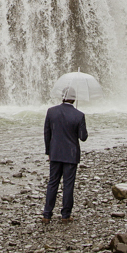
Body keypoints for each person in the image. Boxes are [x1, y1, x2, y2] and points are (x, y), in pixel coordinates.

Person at [42, 87, 88, 223]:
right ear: (74, 99)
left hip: (55, 153)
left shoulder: (51, 112)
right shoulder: (79, 115)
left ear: (62, 97)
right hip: (71, 155)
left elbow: (47, 134)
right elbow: (83, 137)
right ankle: (65, 215)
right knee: (68, 185)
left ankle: (46, 214)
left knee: (52, 183)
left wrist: (48, 151)